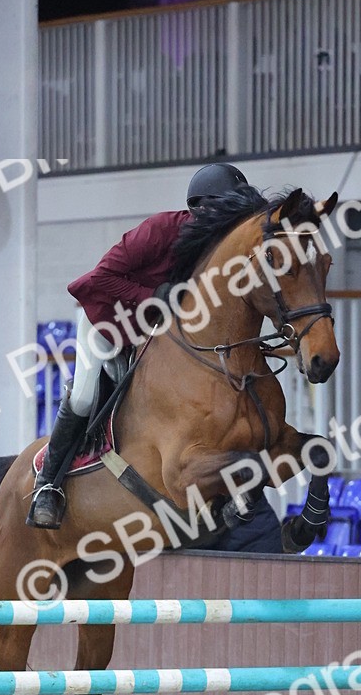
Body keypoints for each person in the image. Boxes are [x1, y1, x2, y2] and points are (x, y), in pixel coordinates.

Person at [27, 161, 250, 528]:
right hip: (109, 323)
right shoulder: (160, 230)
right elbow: (100, 278)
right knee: (83, 397)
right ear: (204, 208)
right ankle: (47, 485)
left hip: (158, 336)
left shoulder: (218, 250)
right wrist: (153, 295)